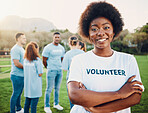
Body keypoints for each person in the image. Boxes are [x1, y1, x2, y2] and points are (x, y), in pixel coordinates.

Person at [67, 1, 144, 113]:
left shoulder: (128, 60)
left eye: (106, 27)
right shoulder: (79, 60)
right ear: (88, 34)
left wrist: (96, 109)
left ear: (113, 32)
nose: (100, 33)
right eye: (94, 29)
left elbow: (135, 97)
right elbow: (74, 95)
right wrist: (120, 94)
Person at [42, 32, 65, 113]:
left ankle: (56, 104)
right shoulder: (48, 47)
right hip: (51, 70)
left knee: (57, 88)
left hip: (59, 70)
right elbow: (44, 60)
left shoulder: (62, 48)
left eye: (58, 37)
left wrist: (58, 66)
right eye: (56, 37)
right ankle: (47, 106)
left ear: (60, 38)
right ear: (53, 38)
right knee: (49, 89)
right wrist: (48, 67)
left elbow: (62, 58)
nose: (57, 38)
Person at [62, 36, 85, 109]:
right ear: (77, 43)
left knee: (73, 102)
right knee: (82, 103)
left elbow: (65, 68)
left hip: (71, 80)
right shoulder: (83, 53)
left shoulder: (67, 54)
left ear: (69, 43)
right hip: (82, 80)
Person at [23, 41, 43, 113]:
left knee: (27, 104)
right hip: (35, 86)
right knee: (33, 106)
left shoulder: (25, 60)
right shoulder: (37, 60)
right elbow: (40, 73)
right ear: (35, 50)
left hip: (27, 85)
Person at [10, 33, 27, 113]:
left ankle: (19, 109)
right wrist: (27, 68)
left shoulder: (21, 49)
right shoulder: (15, 49)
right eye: (23, 38)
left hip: (21, 75)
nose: (25, 39)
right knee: (16, 94)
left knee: (19, 93)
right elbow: (16, 63)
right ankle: (12, 111)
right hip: (17, 76)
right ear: (18, 39)